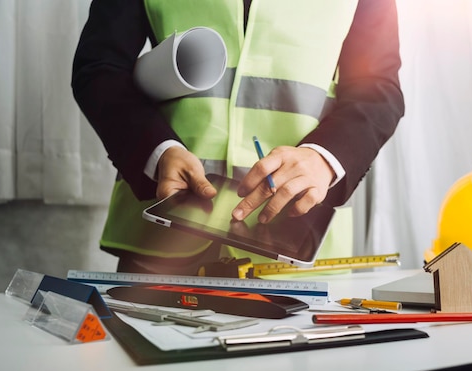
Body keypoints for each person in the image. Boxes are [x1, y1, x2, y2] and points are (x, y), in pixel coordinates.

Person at [71, 0, 404, 275]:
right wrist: (157, 152)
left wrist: (322, 158)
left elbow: (378, 90)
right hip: (162, 230)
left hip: (295, 242)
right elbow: (100, 66)